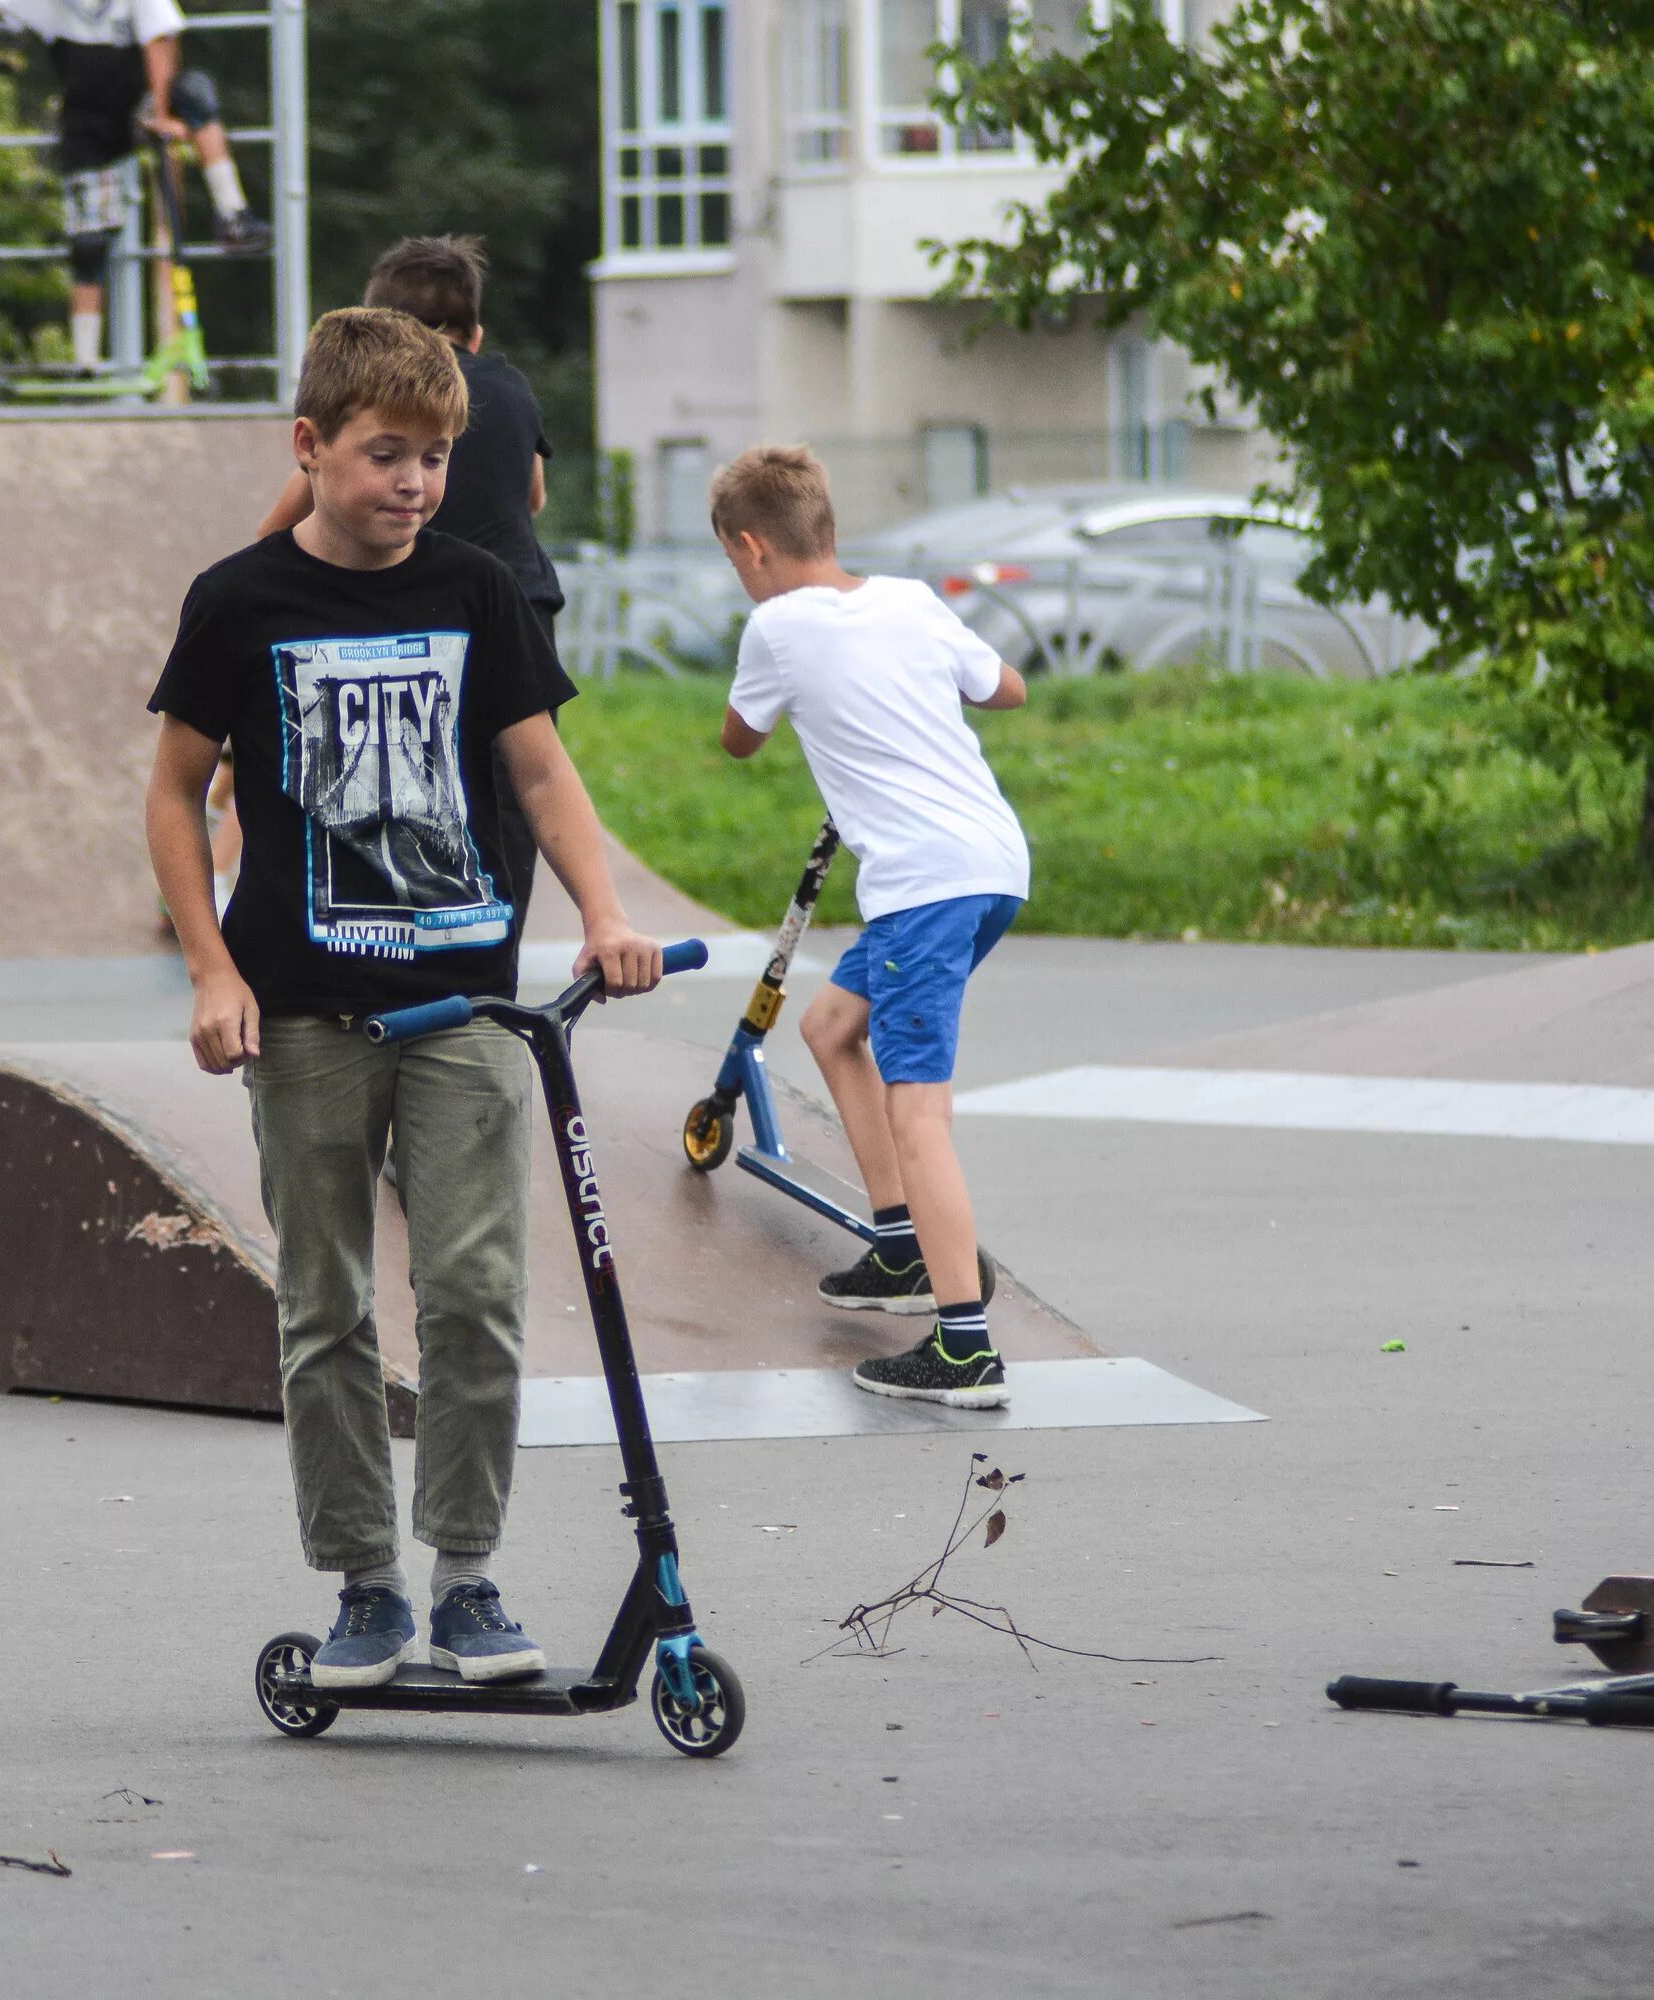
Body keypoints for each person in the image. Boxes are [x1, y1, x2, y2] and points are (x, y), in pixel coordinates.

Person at [143, 307, 665, 1689]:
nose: (416, 484)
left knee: (479, 1294)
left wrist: (606, 916)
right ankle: (365, 1585)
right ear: (309, 447)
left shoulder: (476, 590)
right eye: (387, 455)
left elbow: (542, 774)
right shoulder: (241, 600)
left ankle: (469, 1578)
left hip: (468, 1007)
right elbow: (172, 787)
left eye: (435, 458)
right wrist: (211, 965)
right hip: (304, 1013)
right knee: (325, 1307)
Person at [711, 443, 1030, 1410]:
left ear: (753, 546)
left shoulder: (774, 627)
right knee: (830, 1027)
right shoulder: (912, 600)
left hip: (921, 884)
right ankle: (899, 1246)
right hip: (989, 866)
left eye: (735, 562)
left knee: (919, 1113)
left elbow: (739, 739)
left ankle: (965, 1345)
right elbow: (1006, 690)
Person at [256, 235, 565, 904]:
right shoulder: (509, 383)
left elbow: (281, 521)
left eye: (435, 457)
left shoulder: (378, 410)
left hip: (431, 610)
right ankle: (494, 928)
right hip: (523, 599)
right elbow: (534, 494)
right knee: (511, 792)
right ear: (474, 335)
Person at [0, 0, 270, 371]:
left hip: (143, 100)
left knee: (195, 92)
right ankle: (85, 361)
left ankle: (232, 212)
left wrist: (160, 114)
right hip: (90, 116)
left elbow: (161, 41)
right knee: (88, 244)